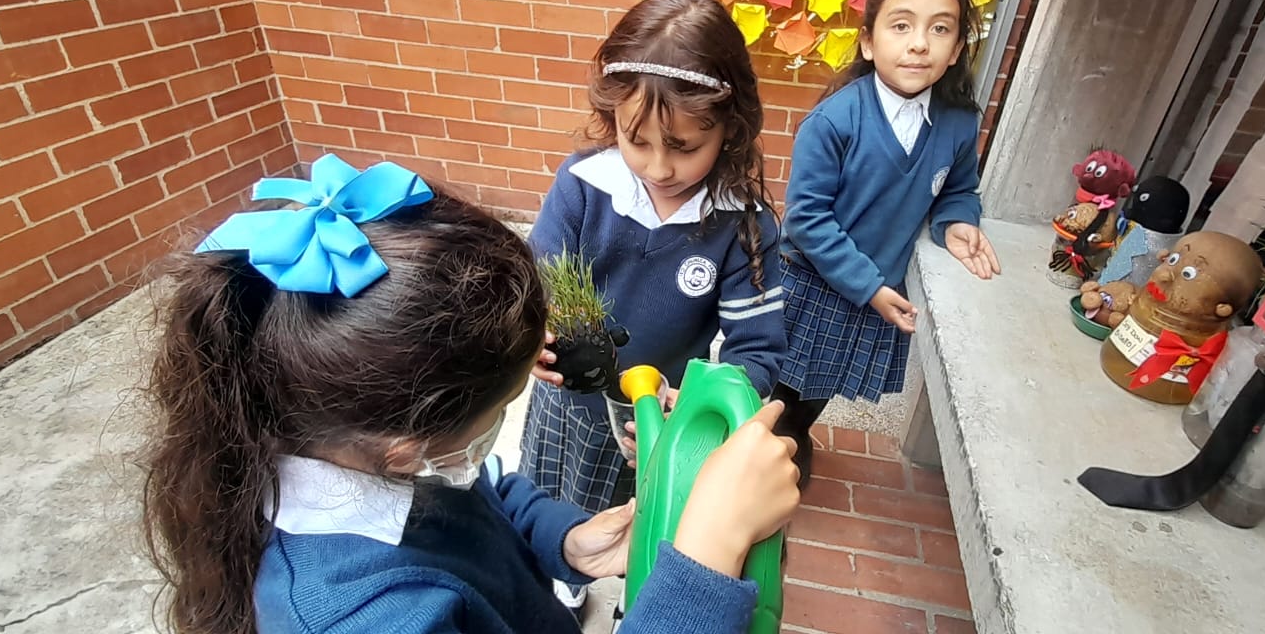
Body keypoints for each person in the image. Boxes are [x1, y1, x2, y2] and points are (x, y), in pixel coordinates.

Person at [139, 154, 801, 634]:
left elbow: (475, 490)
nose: (490, 436)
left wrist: (564, 539)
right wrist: (708, 554)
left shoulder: (340, 439)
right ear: (403, 448)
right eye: (497, 413)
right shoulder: (364, 619)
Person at [517, 0, 786, 611]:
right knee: (554, 494)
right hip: (568, 403)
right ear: (613, 120)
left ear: (731, 126)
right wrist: (530, 337)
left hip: (656, 425)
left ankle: (637, 592)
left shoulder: (742, 226)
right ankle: (561, 573)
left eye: (686, 147)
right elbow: (534, 283)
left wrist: (694, 404)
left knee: (646, 517)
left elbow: (758, 351)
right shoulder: (584, 185)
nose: (660, 167)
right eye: (638, 142)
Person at [774, 0, 1004, 487]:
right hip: (815, 282)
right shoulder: (834, 121)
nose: (919, 43)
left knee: (821, 383)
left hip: (874, 284)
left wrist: (957, 222)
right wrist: (872, 287)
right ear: (869, 41)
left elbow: (958, 188)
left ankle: (796, 433)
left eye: (939, 29)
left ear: (955, 52)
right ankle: (774, 445)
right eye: (901, 25)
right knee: (787, 379)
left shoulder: (958, 123)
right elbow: (806, 220)